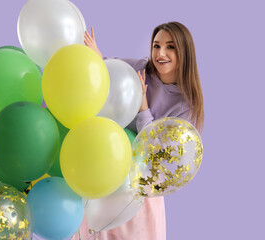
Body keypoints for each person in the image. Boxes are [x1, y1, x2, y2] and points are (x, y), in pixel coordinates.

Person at [74, 21, 204, 240]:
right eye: (156, 46)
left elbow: (156, 154)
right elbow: (108, 72)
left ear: (184, 52)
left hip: (138, 190)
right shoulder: (140, 69)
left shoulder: (186, 105)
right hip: (105, 170)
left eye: (170, 47)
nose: (160, 53)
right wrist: (97, 55)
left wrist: (143, 107)